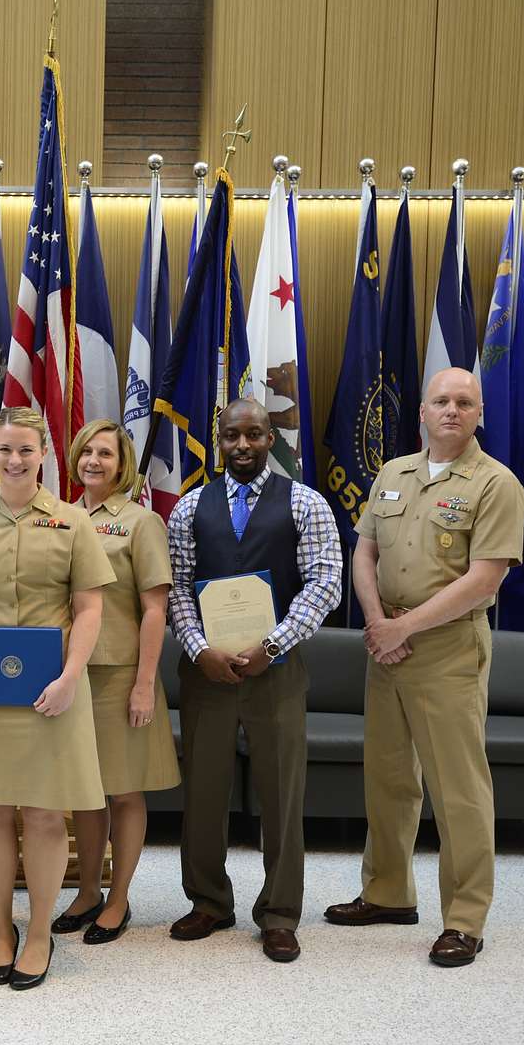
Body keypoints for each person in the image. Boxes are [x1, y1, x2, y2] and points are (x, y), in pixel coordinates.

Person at [325, 367, 524, 968]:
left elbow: (483, 579)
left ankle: (465, 918)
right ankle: (388, 893)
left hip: (446, 650)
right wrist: (375, 621)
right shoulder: (394, 474)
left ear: (479, 413)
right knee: (387, 779)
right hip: (385, 644)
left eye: (465, 402)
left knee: (458, 790)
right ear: (421, 410)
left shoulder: (496, 484)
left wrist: (401, 629)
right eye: (441, 400)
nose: (452, 411)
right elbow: (364, 550)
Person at [0, 406, 115, 990]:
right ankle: (1, 930)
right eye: (5, 449)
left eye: (26, 450)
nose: (14, 460)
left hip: (50, 693)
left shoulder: (71, 522)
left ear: (44, 453)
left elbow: (89, 607)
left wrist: (70, 677)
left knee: (41, 813)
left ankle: (38, 933)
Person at [165, 398, 341, 963]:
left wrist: (272, 645)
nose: (243, 446)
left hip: (277, 673)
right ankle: (210, 901)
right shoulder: (190, 508)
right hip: (206, 672)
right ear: (218, 440)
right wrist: (198, 648)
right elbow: (176, 587)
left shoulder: (305, 503)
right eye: (232, 436)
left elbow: (324, 584)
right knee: (205, 791)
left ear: (272, 438)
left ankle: (281, 912)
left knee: (282, 795)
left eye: (255, 435)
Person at [54, 419, 178, 944]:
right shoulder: (58, 519)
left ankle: (119, 897)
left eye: (105, 454)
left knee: (124, 791)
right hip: (68, 673)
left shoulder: (140, 522)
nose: (93, 462)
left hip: (121, 672)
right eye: (86, 453)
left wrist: (145, 684)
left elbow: (156, 609)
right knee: (84, 792)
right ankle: (87, 890)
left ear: (121, 463)